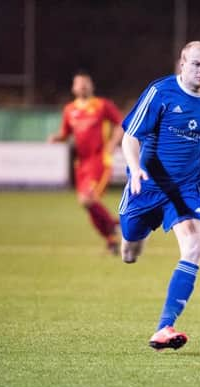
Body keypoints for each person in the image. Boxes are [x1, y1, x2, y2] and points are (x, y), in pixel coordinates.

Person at [119, 41, 200, 351]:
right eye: (196, 64)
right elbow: (130, 136)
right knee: (130, 248)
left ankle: (164, 327)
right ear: (182, 63)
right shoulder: (161, 92)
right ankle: (131, 245)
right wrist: (134, 168)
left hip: (185, 188)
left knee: (194, 247)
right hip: (148, 185)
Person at [48, 71, 124, 254]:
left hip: (99, 160)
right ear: (73, 88)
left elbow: (122, 123)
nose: (82, 86)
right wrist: (56, 138)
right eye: (79, 83)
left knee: (86, 200)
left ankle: (119, 225)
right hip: (81, 164)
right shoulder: (69, 110)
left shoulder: (102, 105)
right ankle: (111, 238)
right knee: (89, 205)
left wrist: (113, 143)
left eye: (85, 83)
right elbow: (65, 133)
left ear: (91, 86)